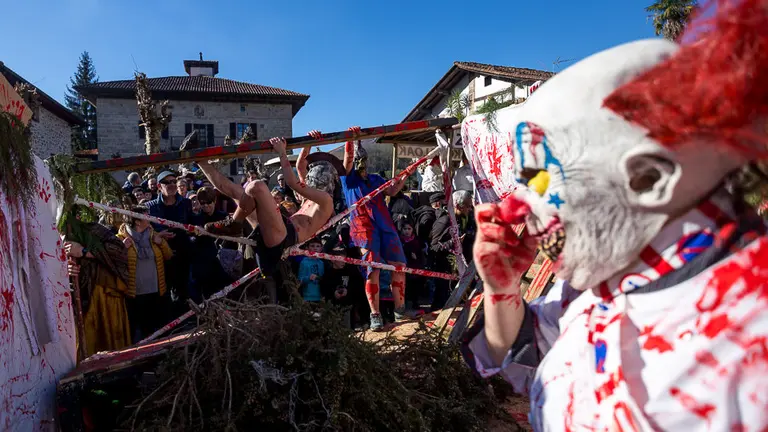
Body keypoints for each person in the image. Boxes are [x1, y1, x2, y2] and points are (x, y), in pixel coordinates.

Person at [461, 8, 768, 429]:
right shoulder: (605, 278)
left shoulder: (752, 339)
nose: (517, 207)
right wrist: (502, 291)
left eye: (541, 179)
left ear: (649, 178)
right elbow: (525, 347)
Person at [179, 132, 335, 277]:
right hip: (277, 227)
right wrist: (309, 143)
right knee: (238, 192)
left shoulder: (326, 201)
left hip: (284, 237)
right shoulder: (312, 195)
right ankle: (199, 160)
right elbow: (300, 166)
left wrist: (282, 152)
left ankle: (234, 223)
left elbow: (292, 182)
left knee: (256, 186)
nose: (308, 178)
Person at [338, 126, 412, 331]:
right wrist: (351, 139)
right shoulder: (348, 180)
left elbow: (393, 190)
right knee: (373, 270)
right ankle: (375, 314)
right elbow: (347, 160)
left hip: (385, 225)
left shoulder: (376, 179)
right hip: (363, 228)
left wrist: (406, 173)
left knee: (399, 266)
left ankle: (400, 310)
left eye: (363, 157)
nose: (360, 161)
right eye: (358, 158)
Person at [64, 223, 132, 357]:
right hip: (80, 299)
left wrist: (84, 252)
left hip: (106, 293)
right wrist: (65, 268)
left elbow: (119, 250)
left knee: (111, 338)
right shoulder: (53, 234)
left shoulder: (97, 230)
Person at [117, 206, 174, 343]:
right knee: (137, 330)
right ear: (137, 221)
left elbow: (169, 255)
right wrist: (122, 249)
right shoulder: (120, 239)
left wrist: (161, 243)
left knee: (154, 328)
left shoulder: (153, 235)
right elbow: (114, 261)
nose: (150, 218)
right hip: (135, 294)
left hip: (156, 290)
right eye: (146, 216)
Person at [144, 170, 198, 311]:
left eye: (174, 181)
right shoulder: (150, 207)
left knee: (184, 290)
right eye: (167, 182)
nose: (172, 185)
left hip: (183, 254)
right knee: (164, 291)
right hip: (161, 255)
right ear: (159, 186)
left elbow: (193, 224)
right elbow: (144, 231)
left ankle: (185, 318)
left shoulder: (186, 203)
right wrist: (158, 235)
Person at [189, 186, 233, 301]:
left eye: (208, 202)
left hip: (221, 260)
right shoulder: (196, 219)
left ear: (214, 201)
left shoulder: (223, 216)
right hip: (201, 262)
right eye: (202, 203)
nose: (205, 206)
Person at [427, 193, 455, 310]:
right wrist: (452, 242)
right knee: (439, 289)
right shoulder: (442, 220)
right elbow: (434, 246)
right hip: (437, 259)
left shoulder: (441, 217)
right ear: (439, 203)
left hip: (439, 260)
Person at [398, 219, 426, 312]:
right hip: (403, 267)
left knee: (415, 286)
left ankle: (415, 302)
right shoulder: (399, 241)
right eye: (405, 229)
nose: (407, 231)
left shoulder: (417, 241)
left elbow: (421, 254)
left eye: (409, 229)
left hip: (415, 267)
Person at [453, 190, 476, 262]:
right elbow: (436, 246)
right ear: (458, 206)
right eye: (468, 206)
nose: (470, 209)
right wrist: (452, 242)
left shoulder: (469, 214)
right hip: (454, 260)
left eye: (471, 206)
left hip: (467, 257)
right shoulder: (446, 220)